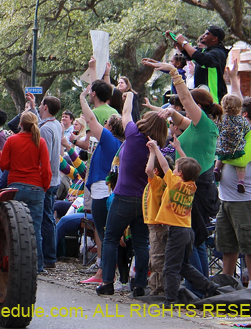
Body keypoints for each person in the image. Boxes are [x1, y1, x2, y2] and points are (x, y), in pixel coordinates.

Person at [143, 57, 221, 285]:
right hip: (191, 185)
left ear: (197, 107)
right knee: (193, 239)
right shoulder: (198, 126)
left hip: (198, 187)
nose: (180, 105)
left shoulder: (205, 124)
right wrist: (167, 112)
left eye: (185, 105)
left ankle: (199, 288)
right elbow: (181, 118)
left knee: (193, 239)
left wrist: (173, 73)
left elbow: (186, 99)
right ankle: (200, 286)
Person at [96, 92, 168, 297]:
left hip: (123, 196)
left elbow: (126, 112)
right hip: (144, 201)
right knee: (141, 242)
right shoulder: (158, 146)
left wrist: (129, 96)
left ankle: (108, 282)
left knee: (110, 238)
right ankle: (139, 286)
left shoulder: (134, 134)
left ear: (146, 122)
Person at [144, 137, 221, 306]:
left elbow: (164, 165)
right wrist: (179, 148)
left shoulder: (174, 182)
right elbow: (192, 167)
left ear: (178, 173)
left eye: (176, 168)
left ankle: (170, 299)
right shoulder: (192, 185)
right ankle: (208, 285)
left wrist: (156, 148)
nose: (173, 169)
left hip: (177, 232)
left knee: (170, 268)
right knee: (184, 265)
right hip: (188, 231)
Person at [216, 95, 251, 289]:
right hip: (228, 198)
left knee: (249, 244)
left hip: (247, 200)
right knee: (227, 245)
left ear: (244, 114)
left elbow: (241, 160)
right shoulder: (241, 129)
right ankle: (227, 282)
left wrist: (221, 153)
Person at [75, 86, 124, 285]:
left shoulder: (109, 139)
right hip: (107, 189)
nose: (103, 125)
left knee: (104, 233)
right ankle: (111, 272)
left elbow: (90, 120)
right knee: (109, 233)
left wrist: (82, 99)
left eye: (107, 124)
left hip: (101, 191)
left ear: (110, 128)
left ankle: (105, 273)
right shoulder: (119, 142)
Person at [0, 111, 50, 273]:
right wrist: (44, 187)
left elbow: (3, 164)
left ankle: (16, 263)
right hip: (36, 188)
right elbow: (47, 170)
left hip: (15, 187)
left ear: (21, 124)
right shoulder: (40, 142)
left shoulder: (12, 140)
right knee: (35, 228)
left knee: (15, 227)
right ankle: (37, 265)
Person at [35, 94, 63, 271]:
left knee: (44, 219)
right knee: (49, 218)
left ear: (45, 107)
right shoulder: (56, 124)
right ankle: (50, 256)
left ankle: (48, 257)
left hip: (47, 178)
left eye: (40, 104)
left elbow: (44, 156)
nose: (39, 106)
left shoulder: (45, 129)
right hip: (54, 178)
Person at [171, 25, 228, 103]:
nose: (203, 36)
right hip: (201, 98)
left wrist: (184, 43)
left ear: (215, 38)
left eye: (207, 34)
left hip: (213, 100)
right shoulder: (205, 51)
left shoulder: (219, 53)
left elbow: (201, 58)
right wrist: (177, 42)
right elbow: (189, 54)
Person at [214, 94, 251, 193]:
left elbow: (217, 129)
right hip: (237, 149)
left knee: (220, 157)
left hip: (223, 147)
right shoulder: (242, 120)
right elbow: (247, 129)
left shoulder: (221, 119)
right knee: (240, 165)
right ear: (240, 108)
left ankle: (217, 169)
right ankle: (241, 181)